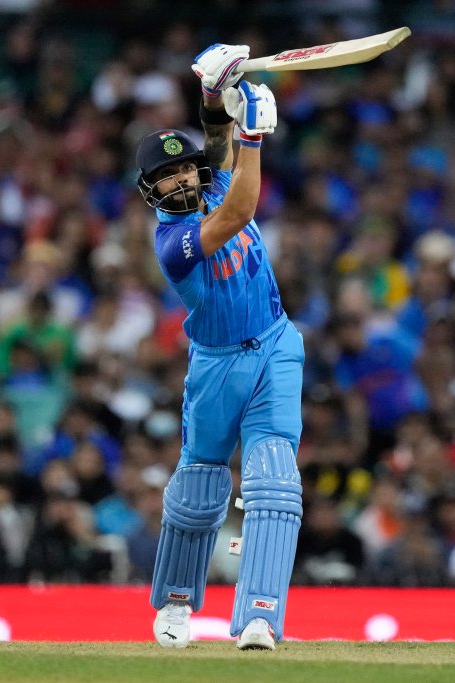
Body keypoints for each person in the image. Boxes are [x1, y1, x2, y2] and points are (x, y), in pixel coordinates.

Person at [135, 44, 303, 651]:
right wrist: (254, 137)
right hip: (218, 364)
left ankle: (259, 615)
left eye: (183, 170)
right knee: (200, 490)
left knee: (275, 483)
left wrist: (216, 93)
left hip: (277, 346)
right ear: (150, 190)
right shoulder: (172, 241)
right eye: (165, 176)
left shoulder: (216, 174)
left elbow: (215, 140)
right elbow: (240, 212)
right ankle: (177, 603)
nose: (180, 177)